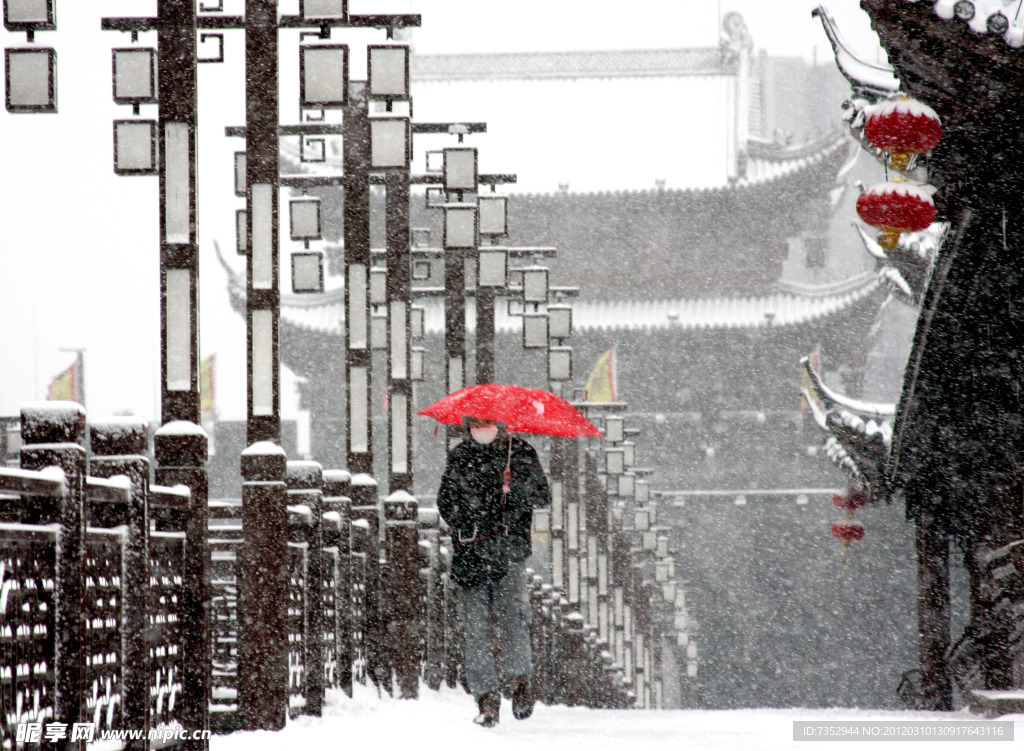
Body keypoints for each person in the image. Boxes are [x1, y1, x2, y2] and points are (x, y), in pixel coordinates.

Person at [436, 416, 551, 727]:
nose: (482, 428)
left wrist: (513, 489)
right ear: (467, 426)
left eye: (488, 422)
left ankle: (520, 683)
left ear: (502, 424)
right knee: (475, 627)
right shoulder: (461, 456)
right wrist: (470, 521)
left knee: (514, 618)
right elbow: (445, 502)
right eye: (476, 422)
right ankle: (486, 696)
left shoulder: (521, 452)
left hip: (509, 551)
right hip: (471, 552)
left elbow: (543, 496)